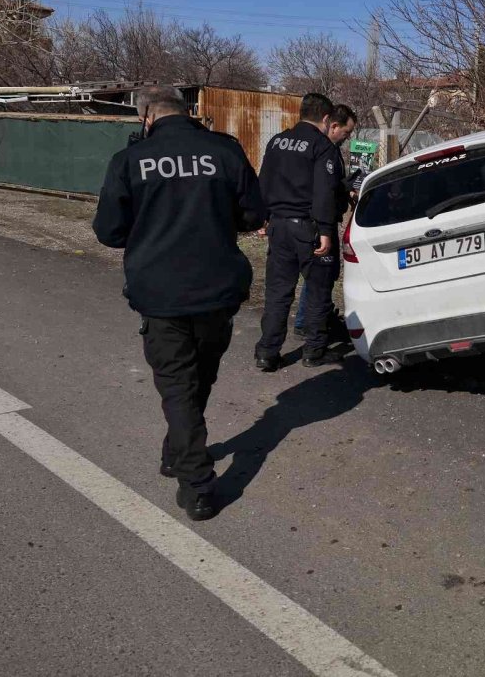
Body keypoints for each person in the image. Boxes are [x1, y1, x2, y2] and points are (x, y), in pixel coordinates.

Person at [92, 85, 266, 522]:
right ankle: (180, 455)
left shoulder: (129, 161)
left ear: (146, 117)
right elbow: (254, 214)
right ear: (186, 112)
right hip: (216, 291)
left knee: (177, 387)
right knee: (196, 381)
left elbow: (109, 232)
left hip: (161, 293)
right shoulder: (223, 151)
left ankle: (198, 485)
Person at [254, 93, 341, 371]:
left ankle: (267, 353)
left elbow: (263, 180)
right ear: (326, 119)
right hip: (309, 228)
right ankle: (314, 351)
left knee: (278, 291)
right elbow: (323, 192)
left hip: (278, 226)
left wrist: (262, 217)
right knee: (317, 290)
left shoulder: (277, 141)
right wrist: (326, 229)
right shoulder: (321, 145)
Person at [293, 104, 358, 348]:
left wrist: (346, 189)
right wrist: (324, 229)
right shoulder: (320, 150)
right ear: (333, 126)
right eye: (346, 133)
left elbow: (332, 183)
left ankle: (314, 320)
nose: (347, 138)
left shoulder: (330, 150)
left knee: (323, 277)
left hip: (324, 219)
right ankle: (306, 324)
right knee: (318, 277)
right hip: (318, 223)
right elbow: (321, 189)